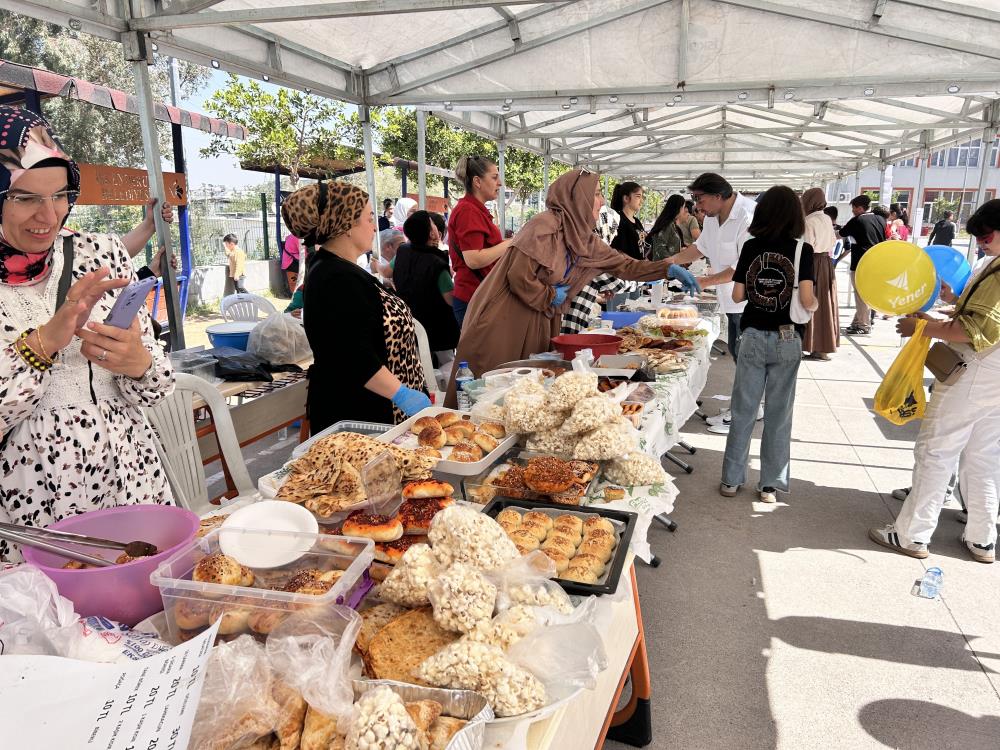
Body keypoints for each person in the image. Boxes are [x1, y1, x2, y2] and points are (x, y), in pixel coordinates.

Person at [0, 107, 174, 562]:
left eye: (60, 195)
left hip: (133, 481)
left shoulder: (99, 252)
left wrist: (139, 364)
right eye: (24, 197)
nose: (49, 215)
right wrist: (43, 343)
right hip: (38, 504)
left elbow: (158, 386)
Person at [444, 169, 676, 407]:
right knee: (490, 391)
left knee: (528, 394)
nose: (603, 201)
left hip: (539, 317)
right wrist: (552, 294)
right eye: (596, 194)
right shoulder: (544, 226)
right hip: (504, 317)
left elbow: (625, 265)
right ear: (578, 197)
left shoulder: (583, 238)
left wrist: (668, 269)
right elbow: (518, 276)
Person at [869, 199, 1000, 564]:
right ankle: (982, 539)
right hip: (994, 379)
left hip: (973, 373)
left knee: (936, 451)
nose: (981, 243)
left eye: (986, 235)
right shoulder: (992, 265)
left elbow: (971, 331)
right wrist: (952, 301)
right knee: (984, 458)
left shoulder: (997, 271)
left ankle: (911, 534)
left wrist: (921, 327)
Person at [281, 180, 430, 434]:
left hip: (380, 408)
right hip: (362, 417)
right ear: (347, 224)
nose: (375, 226)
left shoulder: (341, 270)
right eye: (369, 218)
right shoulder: (334, 277)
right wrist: (402, 394)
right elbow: (353, 355)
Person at [720, 186, 816, 504]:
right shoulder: (802, 250)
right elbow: (807, 299)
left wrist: (758, 290)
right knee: (779, 414)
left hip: (752, 334)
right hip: (787, 337)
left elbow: (737, 296)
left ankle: (731, 480)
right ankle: (769, 486)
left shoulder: (750, 246)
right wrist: (814, 304)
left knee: (743, 410)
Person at [664, 173, 757, 433]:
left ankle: (744, 413)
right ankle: (747, 408)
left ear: (718, 195)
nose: (697, 206)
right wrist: (667, 264)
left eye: (700, 198)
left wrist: (704, 281)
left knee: (747, 360)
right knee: (739, 356)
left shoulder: (748, 216)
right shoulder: (714, 218)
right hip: (729, 300)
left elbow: (743, 265)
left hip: (747, 302)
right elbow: (699, 248)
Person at [447, 155, 513, 328]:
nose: (500, 183)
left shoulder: (473, 209)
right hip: (474, 297)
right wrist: (509, 244)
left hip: (481, 295)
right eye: (494, 177)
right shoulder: (468, 211)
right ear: (477, 181)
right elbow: (474, 259)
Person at [394, 210, 460, 358]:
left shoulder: (402, 251)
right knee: (447, 365)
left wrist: (376, 265)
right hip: (439, 331)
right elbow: (451, 299)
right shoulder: (436, 264)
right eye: (432, 223)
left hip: (411, 326)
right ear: (431, 234)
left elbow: (387, 271)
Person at [800, 188, 840, 361]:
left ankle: (808, 344)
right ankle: (822, 348)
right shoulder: (826, 218)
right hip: (826, 263)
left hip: (812, 263)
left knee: (808, 301)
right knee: (825, 303)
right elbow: (833, 241)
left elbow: (807, 246)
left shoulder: (809, 221)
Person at [838, 195, 887, 335]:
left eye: (853, 208)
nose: (852, 211)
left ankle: (863, 325)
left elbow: (840, 234)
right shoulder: (880, 219)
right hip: (876, 262)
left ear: (860, 208)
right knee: (867, 295)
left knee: (860, 295)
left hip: (860, 263)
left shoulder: (857, 220)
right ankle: (858, 322)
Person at [610, 181, 646, 260]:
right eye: (638, 196)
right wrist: (639, 263)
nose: (641, 201)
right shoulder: (618, 220)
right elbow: (618, 252)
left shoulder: (637, 222)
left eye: (642, 197)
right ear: (626, 198)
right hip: (629, 266)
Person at [646, 194, 686, 261]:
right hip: (664, 266)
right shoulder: (667, 225)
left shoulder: (671, 224)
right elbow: (660, 248)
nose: (684, 211)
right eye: (683, 207)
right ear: (679, 208)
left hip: (668, 264)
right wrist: (672, 263)